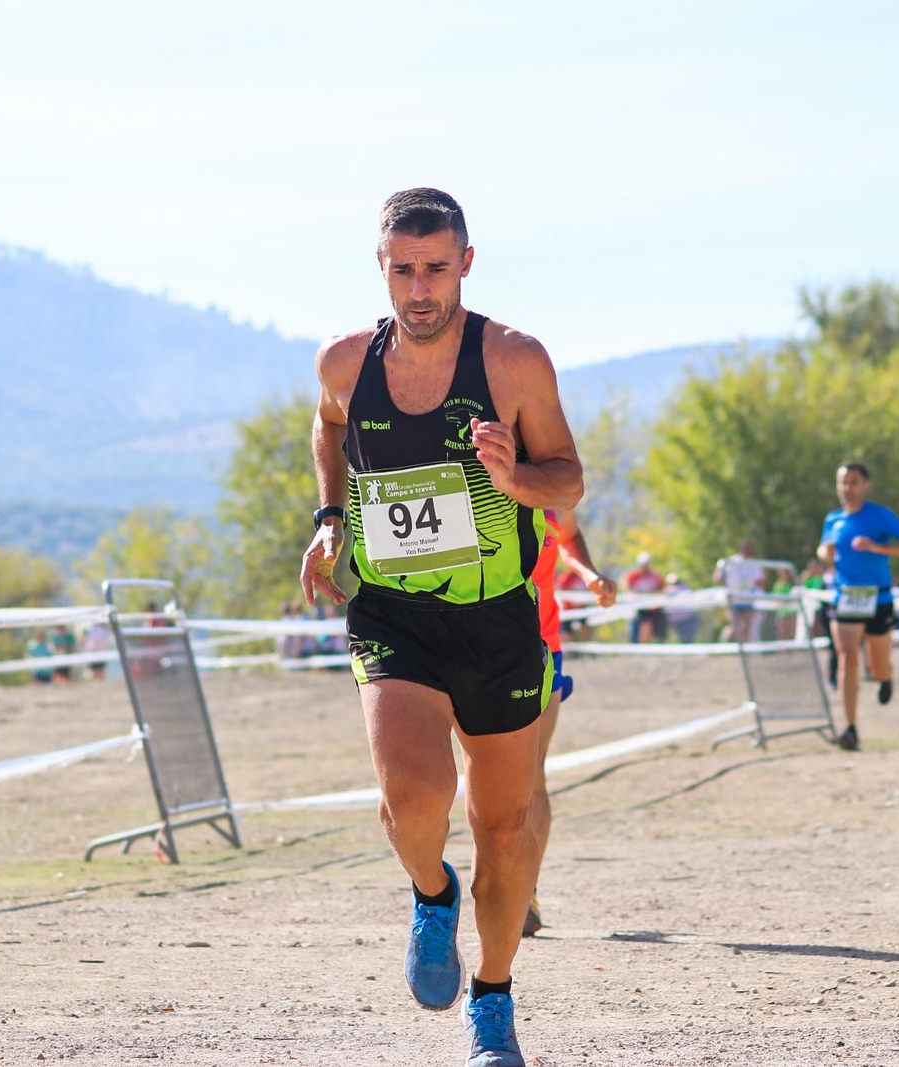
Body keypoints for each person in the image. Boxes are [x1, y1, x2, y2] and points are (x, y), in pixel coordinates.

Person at [298, 188, 584, 1067]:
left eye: (435, 268)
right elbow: (329, 429)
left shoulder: (514, 361)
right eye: (402, 270)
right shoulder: (346, 362)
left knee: (503, 828)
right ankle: (431, 892)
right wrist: (330, 519)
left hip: (498, 616)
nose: (419, 289)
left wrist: (517, 479)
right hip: (395, 612)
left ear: (465, 262)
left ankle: (492, 1002)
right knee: (412, 799)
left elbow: (568, 482)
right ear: (380, 268)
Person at [523, 506, 614, 938]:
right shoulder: (482, 470)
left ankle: (526, 890)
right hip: (483, 646)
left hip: (544, 646)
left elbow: (570, 537)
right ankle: (501, 878)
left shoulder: (556, 487)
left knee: (531, 774)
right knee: (490, 776)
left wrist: (588, 574)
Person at [816, 462, 899, 751]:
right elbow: (825, 549)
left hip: (880, 599)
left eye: (853, 482)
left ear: (865, 486)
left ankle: (885, 678)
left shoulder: (880, 516)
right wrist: (825, 551)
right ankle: (849, 729)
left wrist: (879, 548)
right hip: (846, 597)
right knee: (847, 659)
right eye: (843, 483)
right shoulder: (833, 520)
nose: (848, 488)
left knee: (876, 666)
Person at [715, 540, 767, 644]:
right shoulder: (731, 561)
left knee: (746, 629)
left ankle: (743, 655)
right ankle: (727, 638)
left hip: (748, 602)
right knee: (736, 627)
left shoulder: (755, 564)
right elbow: (717, 577)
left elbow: (761, 581)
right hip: (733, 601)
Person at [624, 552, 667, 643]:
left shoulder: (655, 576)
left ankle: (654, 646)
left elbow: (662, 588)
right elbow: (627, 587)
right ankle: (634, 646)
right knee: (636, 627)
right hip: (638, 607)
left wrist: (654, 592)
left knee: (652, 629)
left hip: (652, 608)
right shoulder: (633, 576)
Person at [663, 573, 701, 644]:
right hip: (676, 621)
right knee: (683, 639)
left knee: (687, 639)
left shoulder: (684, 589)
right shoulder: (667, 590)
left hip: (687, 618)